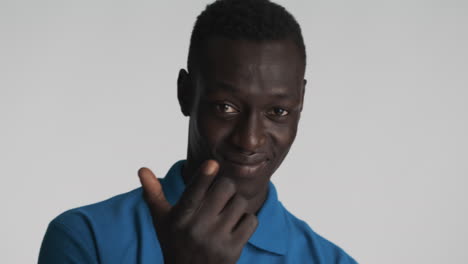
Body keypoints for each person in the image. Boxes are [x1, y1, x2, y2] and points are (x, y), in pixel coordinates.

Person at [38, 0, 358, 263]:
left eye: (277, 112)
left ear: (301, 102)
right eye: (226, 107)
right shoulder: (86, 238)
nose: (249, 140)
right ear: (185, 94)